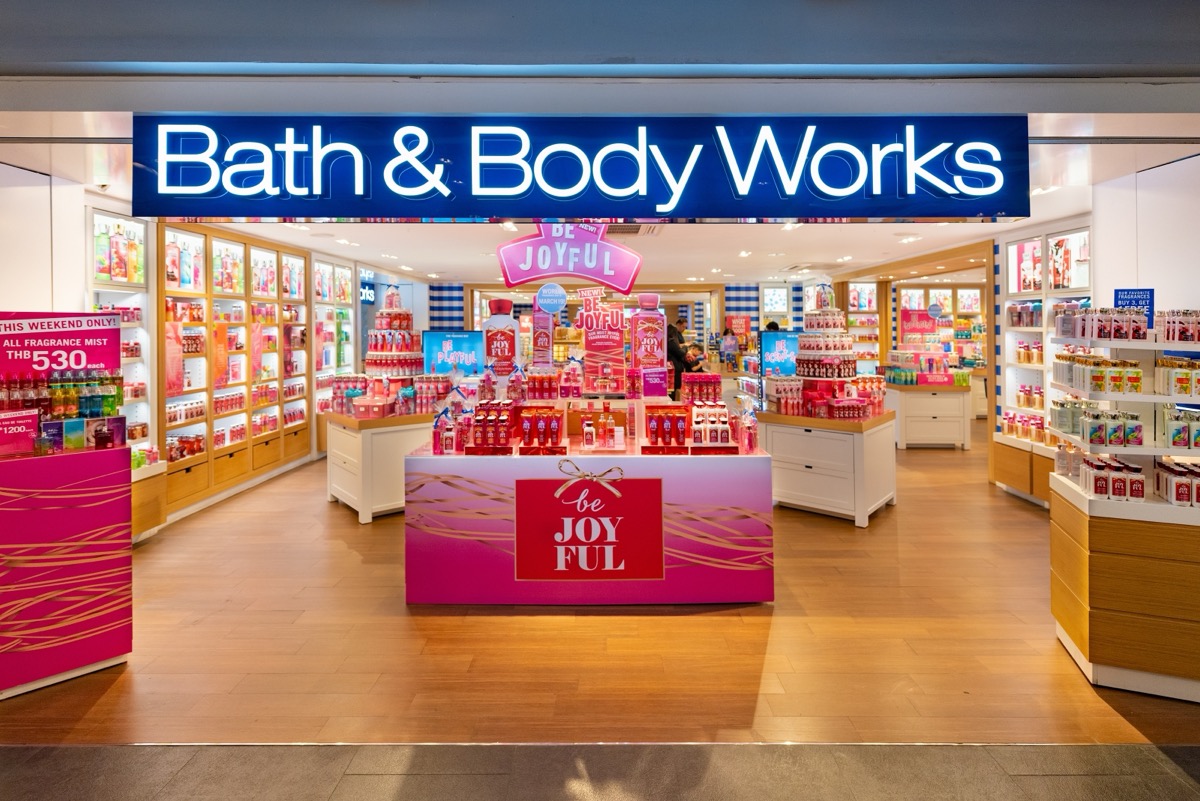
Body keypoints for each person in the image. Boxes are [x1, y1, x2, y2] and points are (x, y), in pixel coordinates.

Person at [667, 317, 688, 399]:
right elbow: (680, 353)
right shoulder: (671, 342)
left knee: (674, 387)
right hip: (675, 367)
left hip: (674, 366)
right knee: (675, 387)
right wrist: (685, 347)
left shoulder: (669, 341)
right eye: (683, 326)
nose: (684, 329)